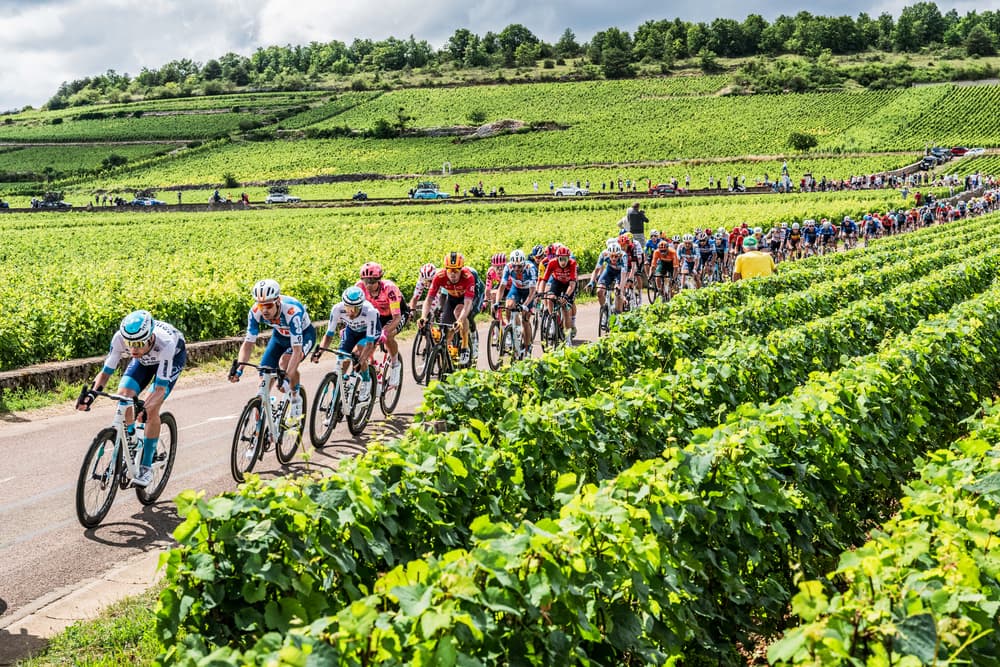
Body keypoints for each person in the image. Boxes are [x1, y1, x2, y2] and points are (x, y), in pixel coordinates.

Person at [77, 311, 187, 487]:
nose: (133, 349)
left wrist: (145, 408)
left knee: (151, 410)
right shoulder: (120, 339)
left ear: (150, 338)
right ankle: (132, 439)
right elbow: (105, 373)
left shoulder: (165, 343)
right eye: (130, 344)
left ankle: (145, 467)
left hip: (171, 359)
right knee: (124, 395)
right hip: (144, 361)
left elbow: (159, 389)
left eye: (138, 344)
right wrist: (91, 395)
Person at [228, 279, 314, 423]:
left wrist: (286, 378)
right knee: (264, 378)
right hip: (279, 337)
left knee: (285, 362)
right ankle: (259, 433)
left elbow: (297, 351)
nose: (265, 310)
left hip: (304, 336)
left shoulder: (292, 312)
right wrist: (239, 369)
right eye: (261, 306)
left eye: (268, 305)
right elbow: (248, 343)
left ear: (278, 302)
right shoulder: (255, 312)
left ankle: (295, 397)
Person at [311, 286, 381, 403]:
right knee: (342, 359)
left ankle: (366, 381)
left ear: (361, 306)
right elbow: (328, 335)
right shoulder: (337, 309)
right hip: (352, 330)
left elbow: (369, 344)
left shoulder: (370, 312)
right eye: (348, 307)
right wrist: (320, 351)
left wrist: (361, 361)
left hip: (367, 333)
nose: (351, 312)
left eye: (355, 309)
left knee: (359, 352)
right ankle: (338, 395)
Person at [418, 252, 481, 366]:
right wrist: (423, 316)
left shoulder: (468, 277)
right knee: (446, 331)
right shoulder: (439, 276)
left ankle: (465, 347)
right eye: (450, 270)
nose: (453, 274)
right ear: (445, 269)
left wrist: (460, 320)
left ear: (461, 269)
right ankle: (446, 365)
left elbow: (467, 304)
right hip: (453, 297)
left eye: (456, 270)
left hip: (470, 298)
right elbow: (429, 299)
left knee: (459, 313)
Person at [356, 262, 405, 386]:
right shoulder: (359, 287)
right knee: (362, 344)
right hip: (376, 315)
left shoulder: (389, 289)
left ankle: (395, 364)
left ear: (379, 280)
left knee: (387, 336)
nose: (368, 285)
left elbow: (396, 317)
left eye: (372, 282)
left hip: (396, 315)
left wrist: (384, 331)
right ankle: (372, 364)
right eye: (365, 281)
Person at [498, 249, 538, 352]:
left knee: (525, 318)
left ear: (524, 263)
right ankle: (512, 328)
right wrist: (497, 302)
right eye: (514, 266)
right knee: (508, 305)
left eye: (519, 266)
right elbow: (502, 287)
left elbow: (533, 292)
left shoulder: (531, 268)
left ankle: (527, 346)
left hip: (528, 292)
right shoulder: (508, 267)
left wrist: (525, 305)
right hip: (516, 288)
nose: (516, 268)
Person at [541, 245, 578, 338]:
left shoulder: (572, 263)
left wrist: (566, 296)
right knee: (550, 298)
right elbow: (544, 280)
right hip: (557, 282)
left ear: (568, 258)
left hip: (569, 284)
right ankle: (553, 321)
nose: (563, 262)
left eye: (565, 259)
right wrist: (540, 292)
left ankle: (568, 337)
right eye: (561, 259)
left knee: (566, 309)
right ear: (557, 258)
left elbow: (572, 284)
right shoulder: (552, 263)